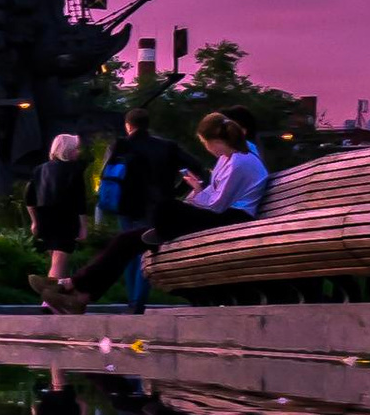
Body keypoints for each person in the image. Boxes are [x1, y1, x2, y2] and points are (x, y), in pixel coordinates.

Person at [56, 109, 264, 311]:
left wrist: (197, 192)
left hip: (232, 219)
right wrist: (198, 192)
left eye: (204, 143)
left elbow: (216, 205)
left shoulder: (239, 162)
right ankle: (80, 291)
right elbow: (213, 196)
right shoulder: (226, 159)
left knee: (166, 207)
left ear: (214, 141)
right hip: (218, 216)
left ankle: (163, 230)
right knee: (125, 240)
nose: (206, 149)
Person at [27, 131, 88, 288]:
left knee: (56, 259)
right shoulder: (75, 170)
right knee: (59, 260)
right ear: (68, 150)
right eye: (76, 148)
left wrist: (34, 221)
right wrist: (83, 227)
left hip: (45, 219)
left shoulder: (39, 169)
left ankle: (61, 296)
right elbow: (80, 200)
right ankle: (49, 299)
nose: (78, 151)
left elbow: (29, 198)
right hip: (65, 219)